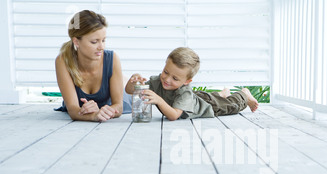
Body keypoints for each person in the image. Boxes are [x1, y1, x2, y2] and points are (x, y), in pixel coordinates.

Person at [125, 47, 259, 121]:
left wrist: (159, 100)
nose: (167, 79)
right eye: (166, 72)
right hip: (195, 97)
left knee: (230, 106)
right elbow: (130, 91)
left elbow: (174, 115)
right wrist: (134, 81)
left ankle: (243, 94)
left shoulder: (185, 92)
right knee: (203, 96)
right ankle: (222, 93)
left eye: (175, 78)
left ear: (186, 82)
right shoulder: (157, 81)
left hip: (208, 106)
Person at [55, 10, 132, 122]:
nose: (101, 47)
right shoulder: (63, 61)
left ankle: (125, 79)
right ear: (76, 42)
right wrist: (93, 116)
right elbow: (73, 109)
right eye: (94, 42)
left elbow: (118, 107)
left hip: (118, 100)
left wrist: (103, 112)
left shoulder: (112, 58)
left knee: (130, 87)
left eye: (103, 40)